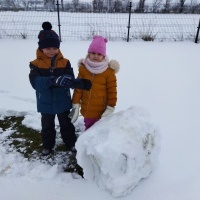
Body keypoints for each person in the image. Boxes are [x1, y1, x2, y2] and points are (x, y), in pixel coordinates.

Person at [29, 22, 91, 156]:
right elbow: (35, 83)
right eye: (47, 48)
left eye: (54, 48)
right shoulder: (35, 64)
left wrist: (74, 82)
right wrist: (53, 80)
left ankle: (71, 143)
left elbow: (69, 77)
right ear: (41, 48)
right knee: (47, 126)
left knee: (67, 125)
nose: (51, 51)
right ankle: (47, 146)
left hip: (62, 100)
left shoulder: (65, 62)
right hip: (45, 102)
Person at [68, 35, 120, 130]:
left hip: (102, 111)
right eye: (93, 53)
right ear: (89, 54)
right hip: (87, 109)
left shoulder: (108, 72)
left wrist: (111, 106)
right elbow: (78, 88)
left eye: (99, 54)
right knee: (88, 128)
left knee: (100, 130)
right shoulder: (83, 69)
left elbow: (112, 91)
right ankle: (88, 142)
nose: (96, 56)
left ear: (103, 56)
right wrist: (75, 104)